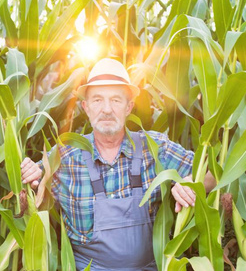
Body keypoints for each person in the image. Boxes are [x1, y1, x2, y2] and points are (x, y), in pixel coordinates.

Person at [20, 58, 216, 270]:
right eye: (97, 100)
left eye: (115, 100)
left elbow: (213, 172)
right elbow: (31, 192)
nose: (106, 109)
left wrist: (191, 183)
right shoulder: (64, 156)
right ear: (86, 107)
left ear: (129, 107)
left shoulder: (154, 147)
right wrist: (29, 175)